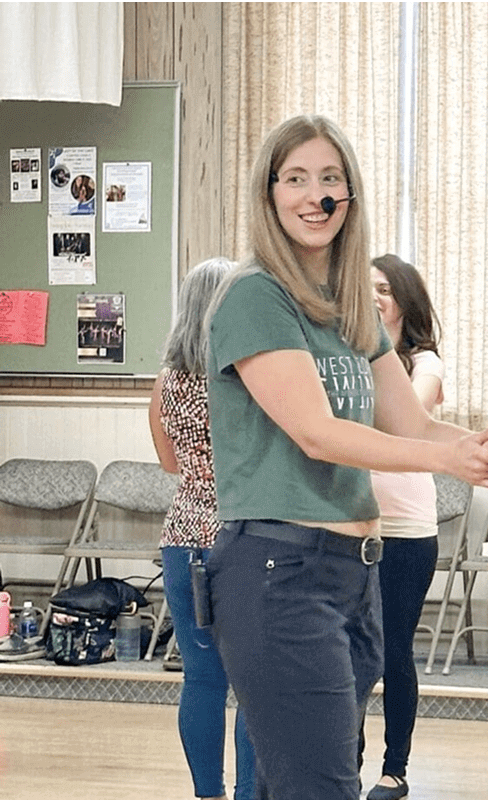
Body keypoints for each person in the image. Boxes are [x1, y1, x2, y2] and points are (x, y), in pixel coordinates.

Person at [202, 114, 488, 800]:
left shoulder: (348, 308)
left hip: (353, 573)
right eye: (295, 179)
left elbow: (414, 423)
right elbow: (318, 434)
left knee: (294, 781)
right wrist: (449, 463)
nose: (313, 195)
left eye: (329, 179)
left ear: (349, 196)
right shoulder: (256, 296)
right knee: (322, 785)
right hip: (279, 570)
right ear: (269, 193)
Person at [148, 257, 256, 800]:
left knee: (202, 678)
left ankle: (206, 794)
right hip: (243, 538)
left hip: (182, 536)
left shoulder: (166, 381)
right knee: (254, 685)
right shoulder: (245, 375)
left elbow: (170, 463)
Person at [360, 254, 446, 800]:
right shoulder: (350, 356)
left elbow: (403, 424)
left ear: (404, 300)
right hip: (354, 524)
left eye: (385, 290)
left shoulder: (425, 363)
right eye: (366, 288)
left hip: (408, 531)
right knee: (352, 649)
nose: (373, 297)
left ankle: (395, 768)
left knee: (393, 649)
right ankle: (347, 757)